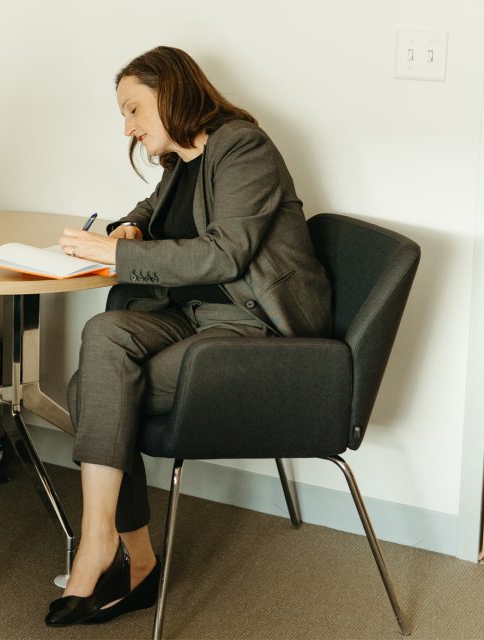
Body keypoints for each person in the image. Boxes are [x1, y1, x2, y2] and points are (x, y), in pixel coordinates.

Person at [46, 46, 331, 626]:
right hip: (189, 317)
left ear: (170, 93)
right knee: (104, 338)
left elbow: (225, 252)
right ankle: (108, 543)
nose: (126, 126)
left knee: (92, 391)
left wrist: (116, 254)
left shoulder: (243, 147)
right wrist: (131, 226)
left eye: (133, 109)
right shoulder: (180, 163)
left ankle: (123, 553)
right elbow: (149, 211)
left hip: (249, 325)